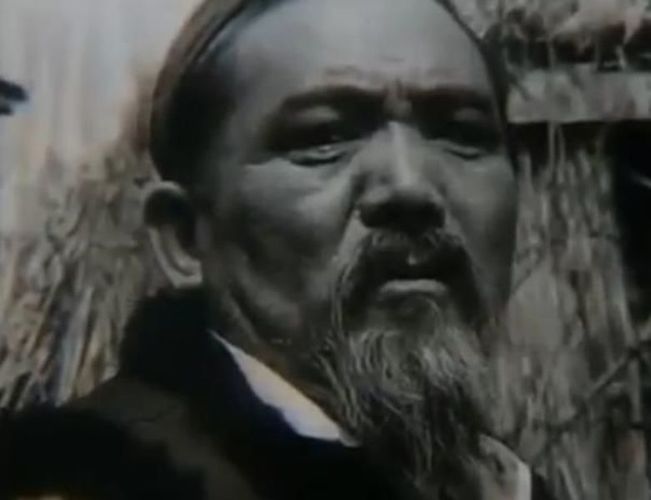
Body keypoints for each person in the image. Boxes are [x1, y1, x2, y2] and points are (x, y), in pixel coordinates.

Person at [0, 0, 554, 498]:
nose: (411, 186)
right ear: (186, 237)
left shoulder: (507, 484)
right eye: (324, 137)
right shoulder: (90, 478)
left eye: (461, 133)